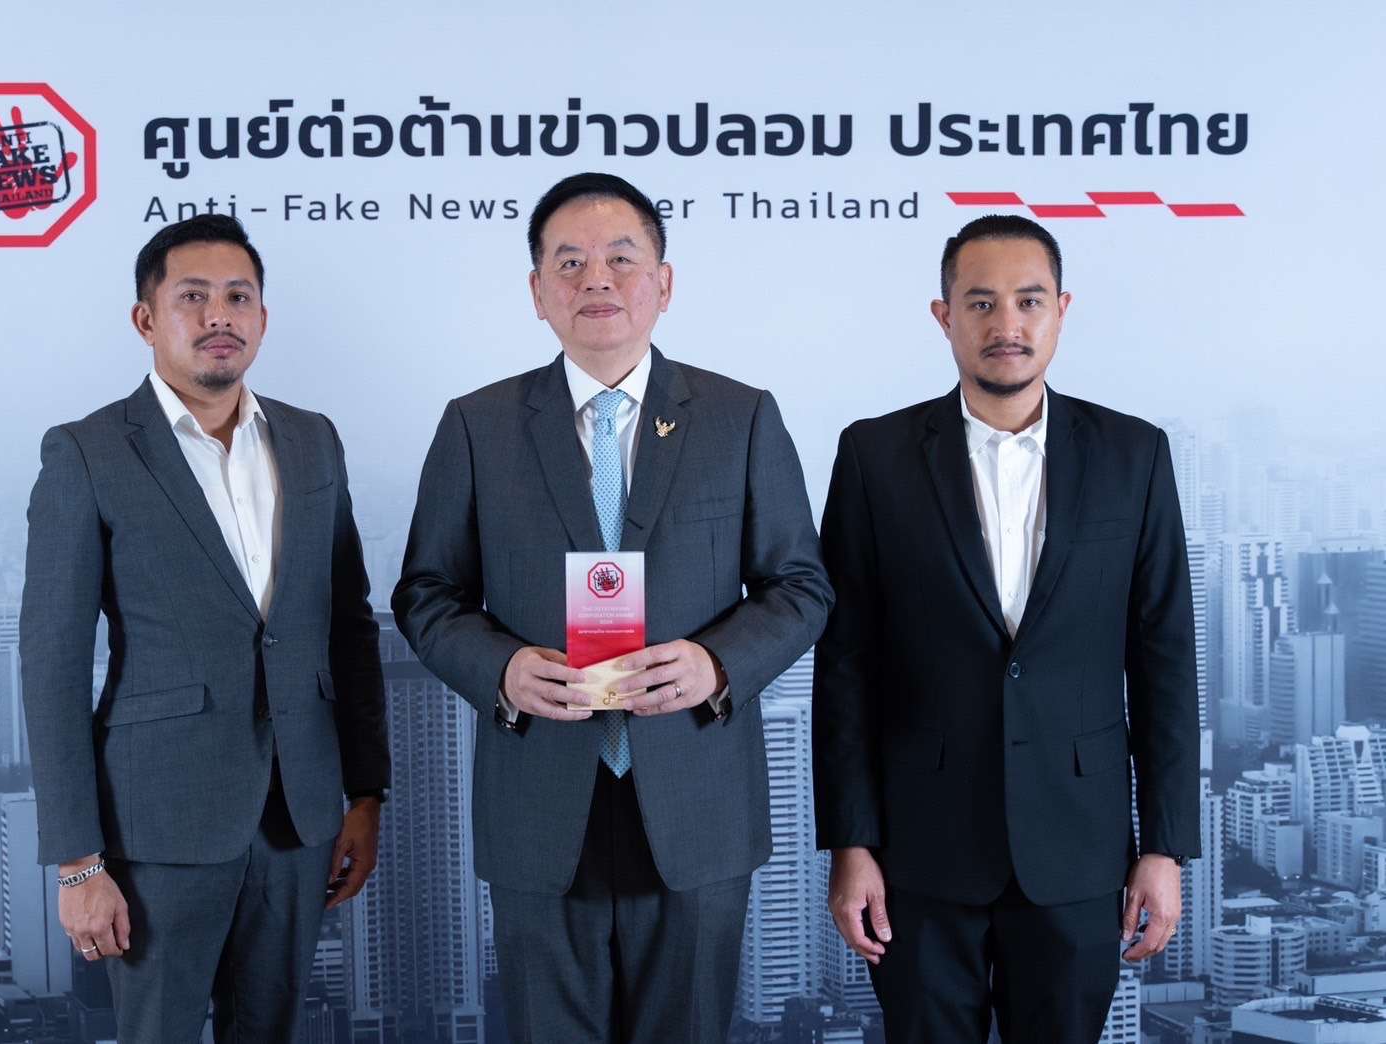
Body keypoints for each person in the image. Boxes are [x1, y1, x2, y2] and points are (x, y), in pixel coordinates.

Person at [392, 172, 832, 1043]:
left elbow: (801, 586)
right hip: (539, 798)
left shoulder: (739, 417)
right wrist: (503, 670)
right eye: (570, 262)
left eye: (621, 259)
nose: (597, 279)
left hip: (696, 799)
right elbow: (426, 593)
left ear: (663, 283)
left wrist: (716, 663)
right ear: (537, 292)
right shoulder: (477, 425)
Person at [814, 214, 1200, 1042]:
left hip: (1079, 847)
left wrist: (1164, 848)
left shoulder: (1134, 454)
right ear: (944, 315)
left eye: (1029, 301)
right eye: (981, 302)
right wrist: (850, 842)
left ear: (1062, 310)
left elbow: (1164, 660)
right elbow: (846, 665)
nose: (1007, 324)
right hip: (919, 852)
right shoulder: (875, 456)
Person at [20, 213, 389, 1042]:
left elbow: (348, 628)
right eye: (193, 297)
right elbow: (52, 665)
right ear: (146, 319)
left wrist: (367, 794)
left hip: (299, 818)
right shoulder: (88, 453)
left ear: (262, 316)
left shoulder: (312, 440)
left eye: (238, 297)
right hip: (157, 823)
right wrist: (78, 863)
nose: (219, 315)